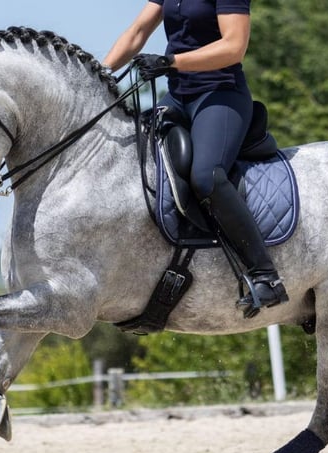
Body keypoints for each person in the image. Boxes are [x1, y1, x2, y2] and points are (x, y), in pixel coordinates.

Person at [103, 0, 288, 318]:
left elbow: (233, 46)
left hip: (220, 93)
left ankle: (265, 275)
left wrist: (171, 62)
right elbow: (137, 32)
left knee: (206, 176)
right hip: (178, 96)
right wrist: (100, 78)